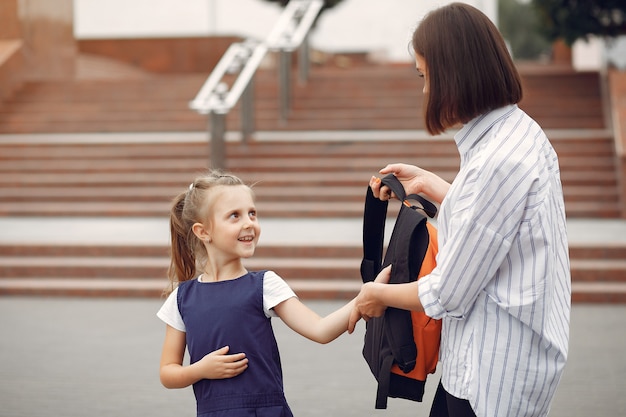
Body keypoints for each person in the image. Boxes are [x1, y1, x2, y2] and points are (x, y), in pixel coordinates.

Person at [348, 3, 571, 417]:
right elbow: (501, 225)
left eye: (424, 76)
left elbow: (447, 292)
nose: (424, 90)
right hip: (496, 363)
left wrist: (376, 295)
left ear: (453, 76)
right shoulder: (517, 132)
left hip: (493, 374)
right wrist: (434, 186)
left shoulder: (498, 162)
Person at [157, 170, 364, 417]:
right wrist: (200, 370)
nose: (249, 223)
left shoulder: (265, 285)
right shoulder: (182, 299)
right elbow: (168, 372)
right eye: (234, 215)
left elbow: (320, 330)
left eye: (252, 213)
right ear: (203, 232)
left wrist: (367, 297)